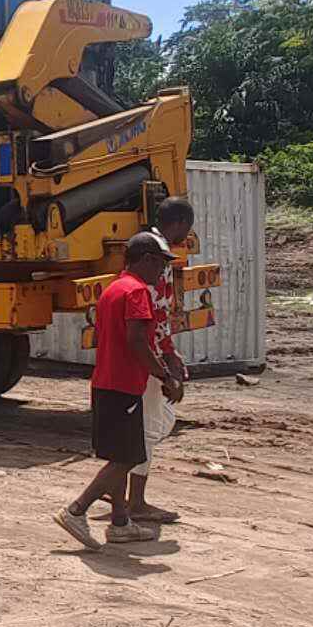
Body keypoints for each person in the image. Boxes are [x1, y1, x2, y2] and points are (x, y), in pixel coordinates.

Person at [54, 233, 183, 550]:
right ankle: (76, 510)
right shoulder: (137, 292)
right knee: (127, 458)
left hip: (106, 382)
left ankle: (121, 523)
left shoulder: (114, 288)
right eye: (161, 265)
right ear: (147, 260)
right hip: (124, 385)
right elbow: (137, 341)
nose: (162, 272)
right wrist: (165, 376)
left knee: (121, 454)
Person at [122, 198, 196, 526]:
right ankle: (134, 501)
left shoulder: (146, 249)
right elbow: (155, 314)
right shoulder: (157, 256)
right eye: (188, 228)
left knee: (157, 422)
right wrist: (165, 359)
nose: (187, 235)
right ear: (179, 223)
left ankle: (118, 489)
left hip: (148, 352)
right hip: (148, 356)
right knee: (151, 428)